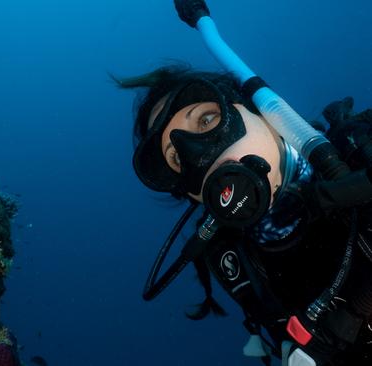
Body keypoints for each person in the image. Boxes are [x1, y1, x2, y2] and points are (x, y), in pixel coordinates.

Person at [120, 64, 372, 366]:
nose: (203, 155)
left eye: (207, 118)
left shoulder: (359, 147)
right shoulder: (234, 259)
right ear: (191, 193)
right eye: (177, 158)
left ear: (258, 110)